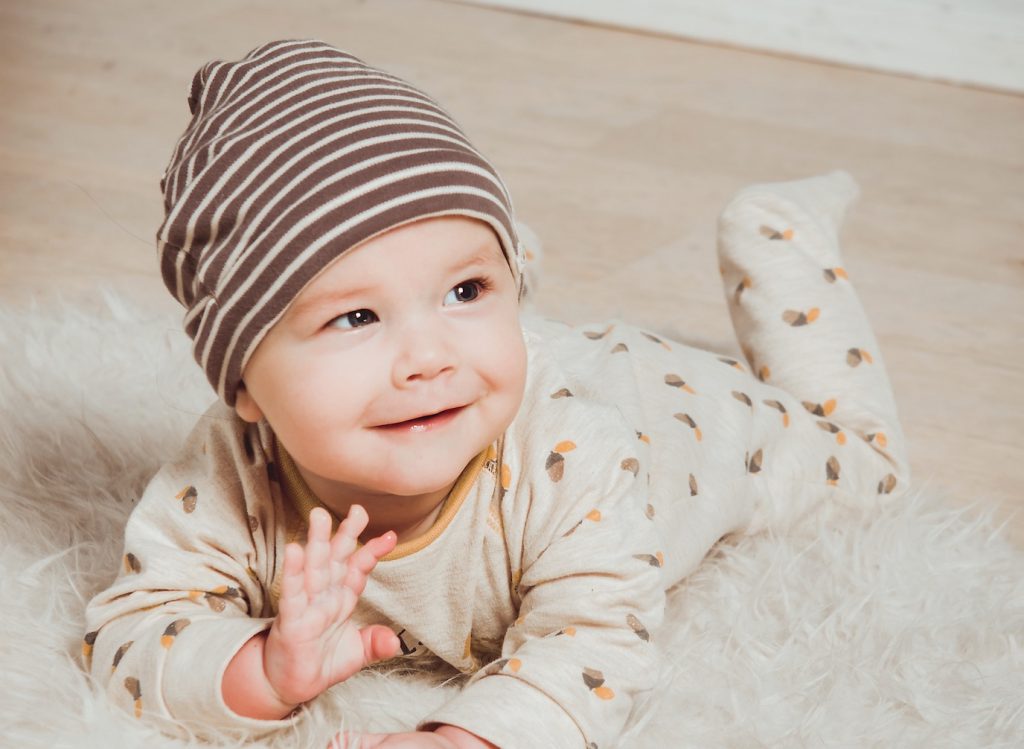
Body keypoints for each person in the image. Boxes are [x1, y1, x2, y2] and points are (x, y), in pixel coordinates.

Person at [83, 39, 909, 749]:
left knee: (867, 462)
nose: (427, 359)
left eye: (466, 289)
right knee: (477, 334)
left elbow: (594, 639)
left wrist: (463, 736)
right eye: (357, 316)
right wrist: (261, 667)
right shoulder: (229, 475)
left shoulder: (578, 456)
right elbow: (129, 636)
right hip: (524, 361)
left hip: (667, 408)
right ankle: (498, 274)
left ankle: (775, 235)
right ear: (243, 385)